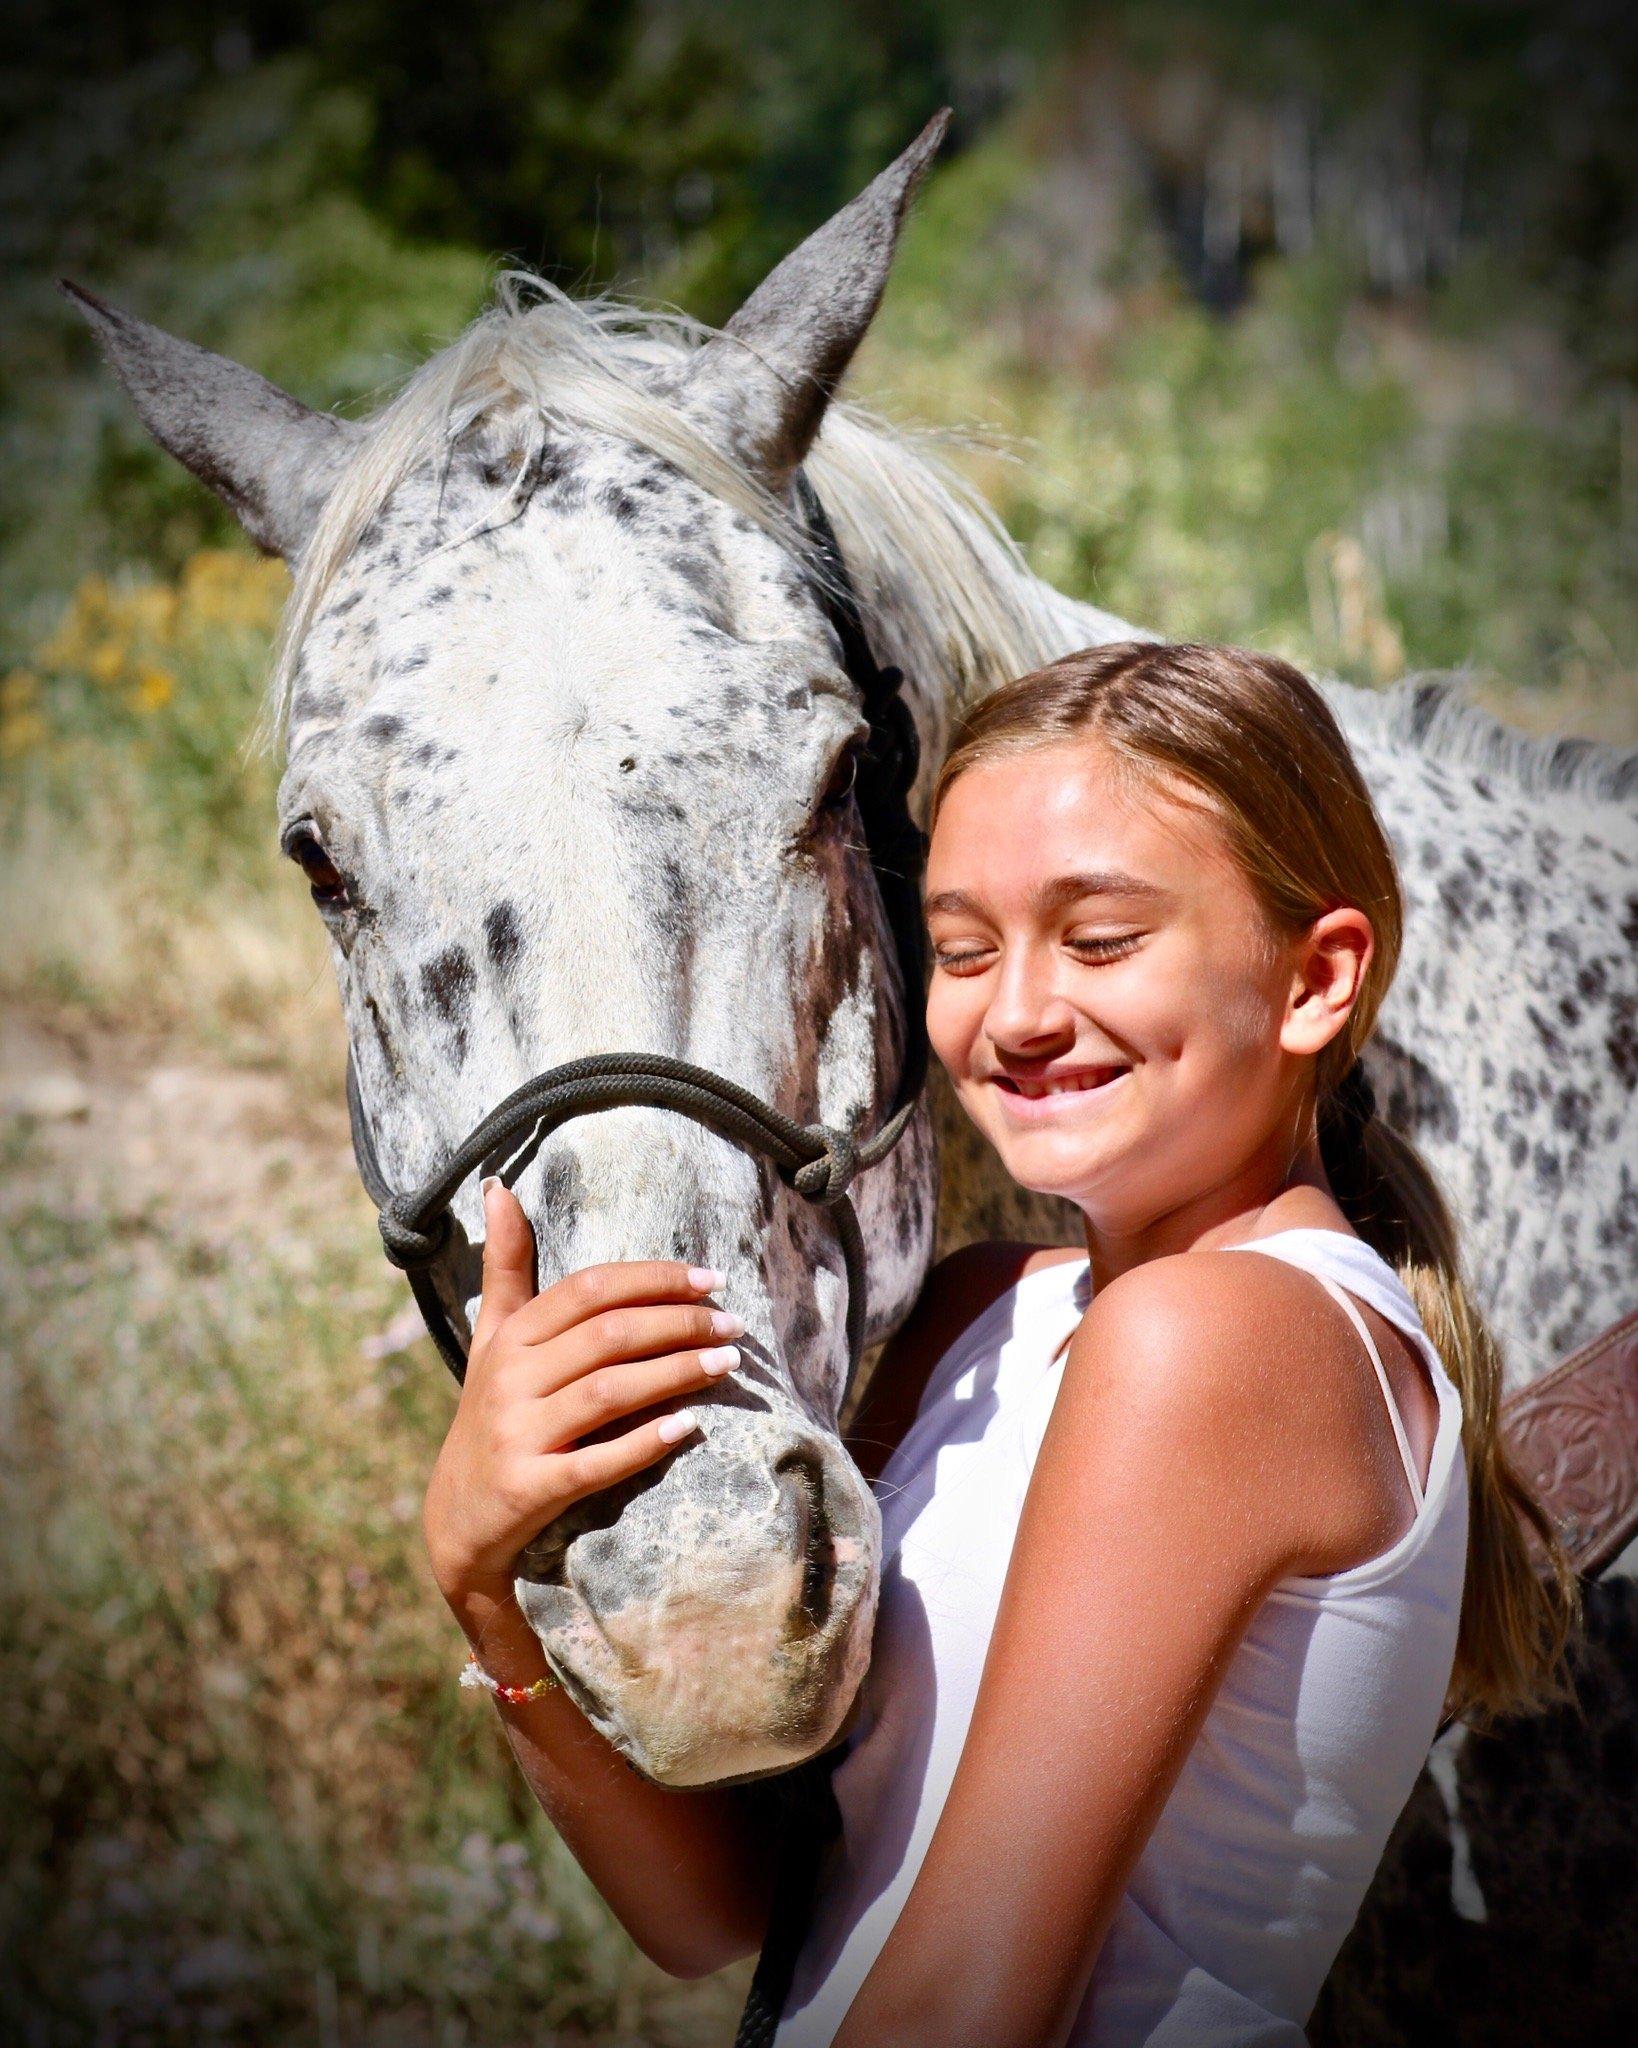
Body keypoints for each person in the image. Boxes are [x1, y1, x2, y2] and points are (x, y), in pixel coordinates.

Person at [421, 641, 1575, 2046]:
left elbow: (970, 2007)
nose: (1016, 1013)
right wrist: (489, 1581)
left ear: (1316, 980)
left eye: (1098, 940)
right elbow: (735, 1917)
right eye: (963, 950)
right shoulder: (979, 1315)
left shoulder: (1224, 1336)